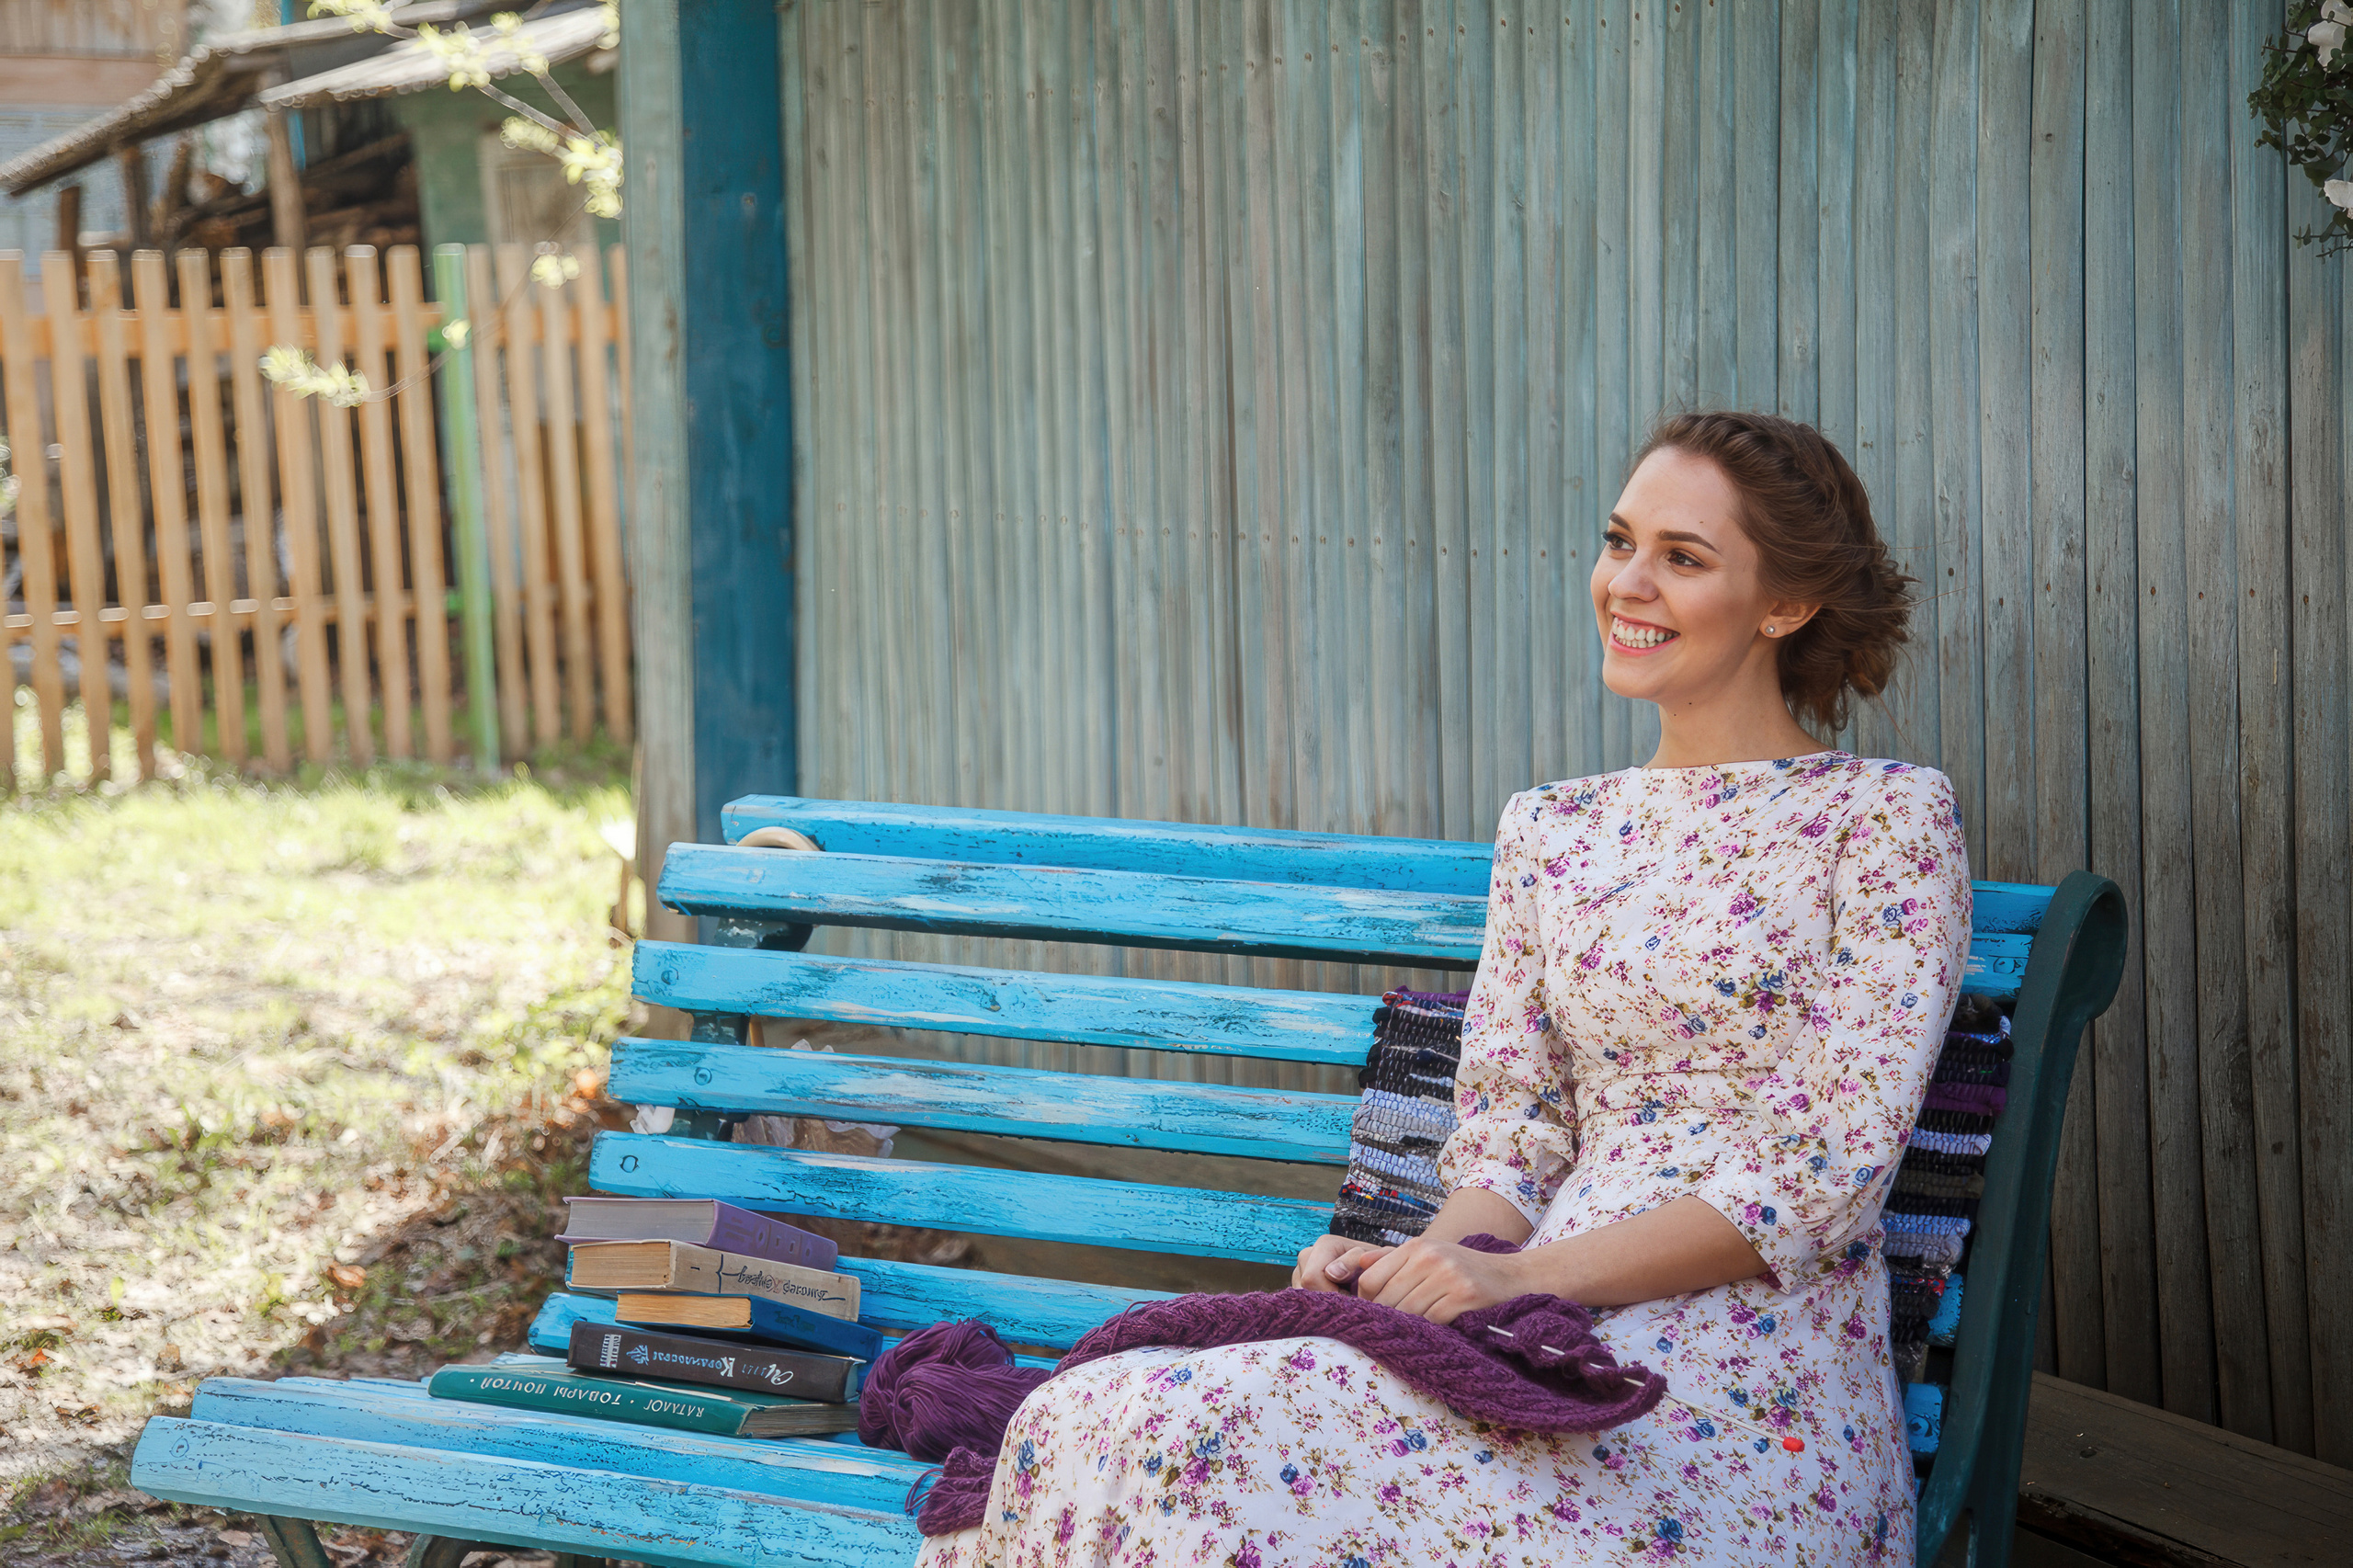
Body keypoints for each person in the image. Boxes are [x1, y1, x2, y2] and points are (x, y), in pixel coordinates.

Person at [914, 410, 1972, 1568]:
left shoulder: (1882, 820)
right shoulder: (1553, 829)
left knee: (1189, 1436)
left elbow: (1822, 1177)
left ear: (1785, 603)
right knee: (1091, 1415)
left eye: (1683, 556)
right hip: (1526, 1330)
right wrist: (1416, 1272)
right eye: (1620, 540)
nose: (1627, 582)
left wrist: (1515, 1276)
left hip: (1742, 1383)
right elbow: (1512, 1131)